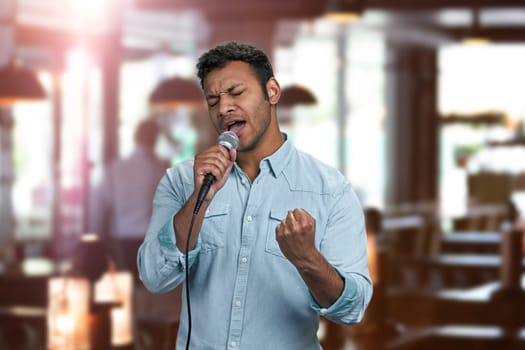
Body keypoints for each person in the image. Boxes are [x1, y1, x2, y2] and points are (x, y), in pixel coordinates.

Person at [137, 41, 372, 349]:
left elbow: (352, 309)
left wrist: (308, 259)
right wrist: (200, 200)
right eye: (212, 100)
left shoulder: (330, 189)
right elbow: (155, 277)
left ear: (272, 92)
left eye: (236, 93)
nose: (223, 108)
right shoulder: (182, 181)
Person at [89, 118, 169, 280]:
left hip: (122, 238)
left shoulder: (115, 169)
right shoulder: (161, 169)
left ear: (135, 137)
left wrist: (95, 238)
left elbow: (98, 208)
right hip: (153, 239)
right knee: (149, 287)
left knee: (126, 285)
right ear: (155, 139)